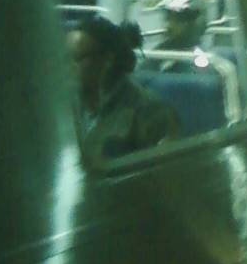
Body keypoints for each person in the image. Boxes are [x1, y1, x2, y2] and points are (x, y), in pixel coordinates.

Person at [68, 16, 179, 160]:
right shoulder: (65, 107)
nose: (66, 67)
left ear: (107, 60)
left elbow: (166, 173)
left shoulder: (150, 112)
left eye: (75, 58)